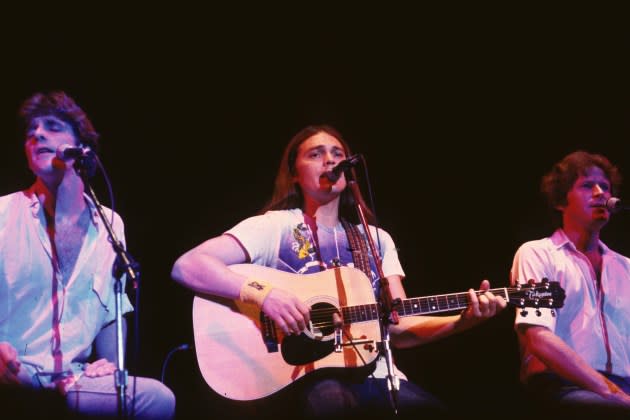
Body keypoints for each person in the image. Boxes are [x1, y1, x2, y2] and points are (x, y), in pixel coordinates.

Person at [171, 124, 506, 419]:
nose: (330, 160)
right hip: (303, 377)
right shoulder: (274, 228)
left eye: (337, 153)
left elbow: (399, 325)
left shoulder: (376, 240)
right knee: (332, 405)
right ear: (293, 174)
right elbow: (188, 266)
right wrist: (265, 295)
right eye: (316, 154)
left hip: (378, 376)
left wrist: (463, 321)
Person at [0, 91, 175, 419]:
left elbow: (112, 307)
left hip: (73, 379)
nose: (37, 134)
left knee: (156, 398)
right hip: (13, 378)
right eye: (31, 132)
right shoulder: (3, 214)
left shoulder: (110, 224)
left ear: (82, 147)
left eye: (52, 127)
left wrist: (110, 364)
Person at [510, 150, 630, 418]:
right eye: (588, 185)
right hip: (560, 385)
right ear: (561, 201)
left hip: (622, 386)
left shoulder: (626, 268)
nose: (601, 193)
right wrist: (612, 392)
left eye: (606, 187)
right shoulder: (537, 253)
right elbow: (539, 338)